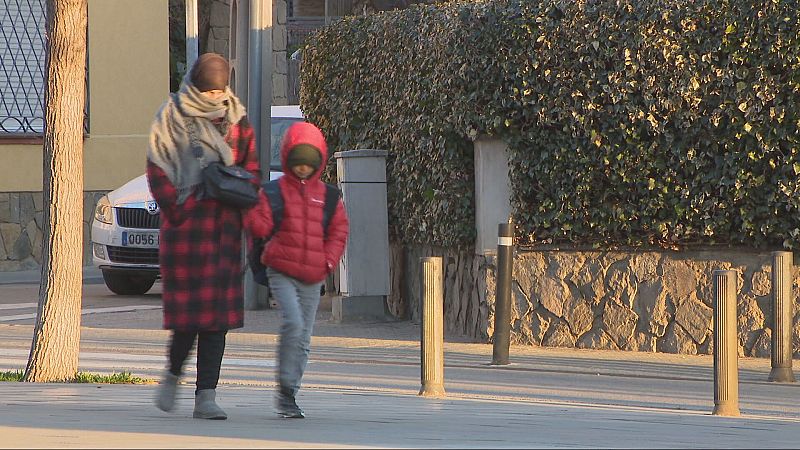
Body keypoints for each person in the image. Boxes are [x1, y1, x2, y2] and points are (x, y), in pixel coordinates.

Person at [146, 53, 259, 420]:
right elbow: (157, 167)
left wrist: (242, 193)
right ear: (195, 85)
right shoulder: (172, 117)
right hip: (186, 234)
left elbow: (251, 168)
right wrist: (178, 210)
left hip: (225, 230)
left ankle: (206, 395)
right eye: (208, 90)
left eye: (218, 90)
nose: (214, 97)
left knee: (218, 319)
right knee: (188, 318)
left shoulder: (238, 120)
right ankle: (173, 373)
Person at [245, 121, 349, 418]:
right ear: (289, 160)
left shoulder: (328, 197)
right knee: (292, 322)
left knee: (304, 337)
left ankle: (289, 392)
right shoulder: (273, 193)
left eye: (308, 165)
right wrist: (252, 212)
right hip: (281, 269)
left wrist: (327, 262)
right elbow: (261, 226)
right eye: (297, 164)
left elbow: (338, 231)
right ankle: (284, 386)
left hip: (312, 276)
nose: (302, 170)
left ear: (318, 163)